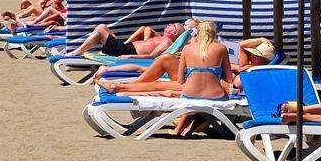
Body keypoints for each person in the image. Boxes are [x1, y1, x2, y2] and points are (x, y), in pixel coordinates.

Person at [100, 21, 234, 136]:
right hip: (215, 96)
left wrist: (195, 74)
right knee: (161, 86)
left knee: (160, 87)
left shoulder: (188, 48)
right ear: (213, 34)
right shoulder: (221, 48)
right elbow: (229, 78)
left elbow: (180, 80)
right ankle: (120, 88)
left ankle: (119, 88)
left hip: (190, 94)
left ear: (198, 33)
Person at [69, 22, 180, 58]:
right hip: (126, 47)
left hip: (127, 52)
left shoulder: (167, 42)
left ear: (174, 33)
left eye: (173, 25)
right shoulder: (161, 38)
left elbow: (151, 57)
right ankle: (80, 51)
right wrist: (146, 39)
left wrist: (131, 57)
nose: (169, 24)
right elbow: (146, 28)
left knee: (100, 30)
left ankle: (78, 52)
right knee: (103, 26)